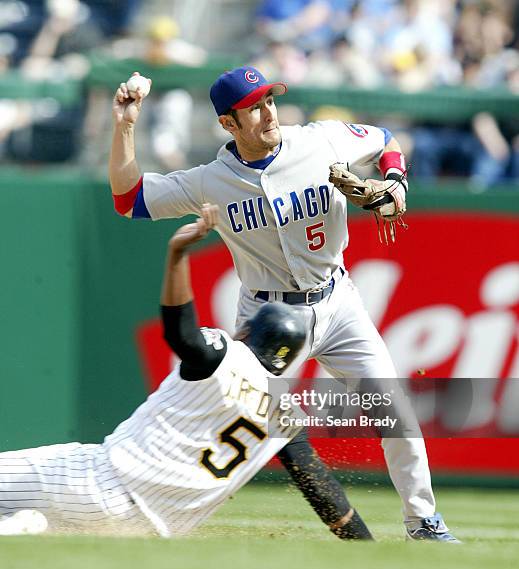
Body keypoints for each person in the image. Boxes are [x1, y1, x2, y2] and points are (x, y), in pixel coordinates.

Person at [108, 67, 459, 543]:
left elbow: (385, 140)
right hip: (266, 319)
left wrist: (395, 184)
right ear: (228, 125)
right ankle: (151, 501)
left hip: (337, 304)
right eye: (253, 107)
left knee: (394, 411)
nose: (267, 111)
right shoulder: (211, 180)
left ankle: (425, 525)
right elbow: (128, 198)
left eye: (270, 100)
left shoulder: (322, 141)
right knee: (228, 418)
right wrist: (125, 126)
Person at [0, 204, 372, 540]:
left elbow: (179, 332)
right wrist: (367, 548)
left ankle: (23, 526)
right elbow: (323, 491)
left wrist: (177, 254)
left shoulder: (227, 357)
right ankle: (23, 528)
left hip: (97, 481)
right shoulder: (285, 413)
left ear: (248, 333)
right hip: (146, 533)